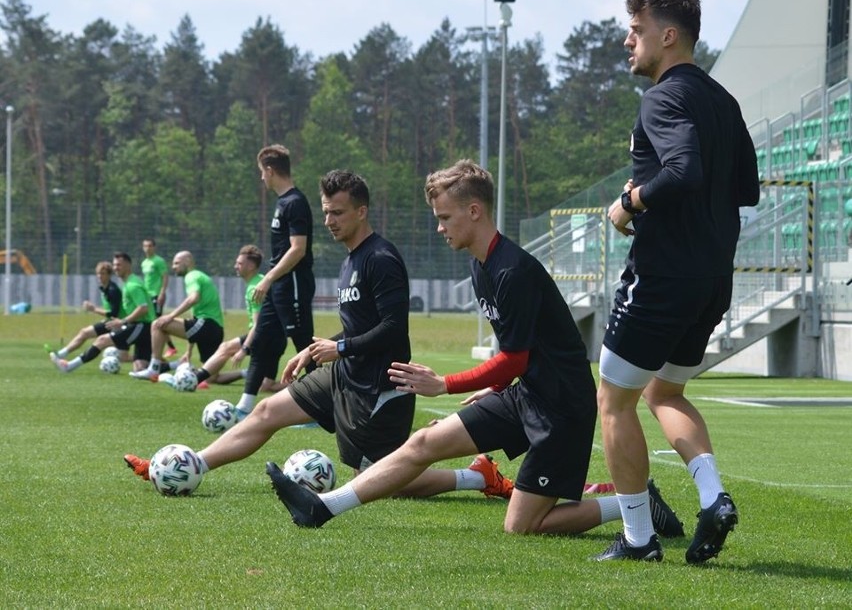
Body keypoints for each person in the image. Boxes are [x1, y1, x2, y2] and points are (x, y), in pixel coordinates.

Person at [266, 160, 684, 541]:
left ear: (474, 211)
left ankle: (636, 504)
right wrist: (497, 385)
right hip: (525, 394)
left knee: (523, 526)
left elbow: (516, 357)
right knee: (424, 443)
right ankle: (323, 507)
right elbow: (518, 351)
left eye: (445, 217)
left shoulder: (513, 270)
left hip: (562, 409)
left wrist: (443, 384)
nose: (439, 227)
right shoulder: (479, 263)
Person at [124, 170, 515, 503]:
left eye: (338, 212)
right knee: (266, 411)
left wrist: (340, 347)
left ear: (362, 211)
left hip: (380, 388)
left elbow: (394, 328)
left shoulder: (381, 258)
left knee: (383, 477)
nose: (329, 220)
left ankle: (478, 476)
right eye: (326, 212)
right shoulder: (350, 260)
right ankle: (190, 466)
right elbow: (361, 324)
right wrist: (317, 350)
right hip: (346, 373)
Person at [594, 0, 759, 563]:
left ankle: (638, 539)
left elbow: (683, 170)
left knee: (613, 401)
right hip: (713, 277)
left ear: (668, 36)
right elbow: (747, 190)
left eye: (635, 30)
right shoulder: (724, 101)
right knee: (666, 391)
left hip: (662, 278)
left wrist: (630, 201)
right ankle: (713, 497)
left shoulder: (662, 99)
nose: (627, 40)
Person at [232, 144, 316, 419]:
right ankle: (244, 407)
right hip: (279, 284)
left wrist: (267, 278)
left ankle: (323, 409)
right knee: (263, 341)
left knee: (304, 345)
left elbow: (298, 249)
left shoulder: (295, 202)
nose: (261, 178)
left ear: (270, 171)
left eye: (261, 172)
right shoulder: (283, 203)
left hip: (291, 282)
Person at [173, 244, 281, 392]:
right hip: (274, 336)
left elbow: (257, 325)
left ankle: (194, 379)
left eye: (239, 263)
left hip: (267, 336)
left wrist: (244, 349)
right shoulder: (259, 280)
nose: (235, 266)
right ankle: (305, 387)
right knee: (266, 386)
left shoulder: (254, 289)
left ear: (250, 266)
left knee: (226, 348)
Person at [50, 252, 155, 373]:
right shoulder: (127, 283)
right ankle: (174, 366)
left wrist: (122, 321)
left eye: (119, 265)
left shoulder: (132, 285)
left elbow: (143, 308)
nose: (116, 268)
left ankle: (68, 366)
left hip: (140, 326)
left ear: (128, 265)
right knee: (140, 368)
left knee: (102, 340)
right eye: (115, 265)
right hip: (139, 327)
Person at [129, 251, 225, 380]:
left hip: (207, 325)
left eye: (176, 263)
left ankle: (154, 369)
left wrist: (171, 316)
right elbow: (195, 321)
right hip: (216, 330)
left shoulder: (191, 276)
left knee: (157, 324)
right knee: (212, 378)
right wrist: (189, 352)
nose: (173, 267)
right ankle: (245, 373)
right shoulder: (200, 276)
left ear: (187, 261)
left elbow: (193, 298)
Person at [47, 261, 123, 360]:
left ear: (109, 275)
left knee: (122, 356)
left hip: (117, 324)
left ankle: (62, 356)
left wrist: (93, 309)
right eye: (98, 273)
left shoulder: (113, 290)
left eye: (103, 273)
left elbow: (114, 313)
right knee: (85, 333)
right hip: (111, 322)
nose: (100, 276)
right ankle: (61, 354)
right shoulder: (104, 288)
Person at [141, 238, 179, 358]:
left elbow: (165, 277)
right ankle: (169, 347)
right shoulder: (144, 263)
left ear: (154, 247)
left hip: (156, 295)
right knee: (155, 322)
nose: (148, 248)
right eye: (146, 246)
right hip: (148, 296)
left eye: (150, 246)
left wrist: (162, 293)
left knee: (158, 322)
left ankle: (169, 348)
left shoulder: (158, 261)